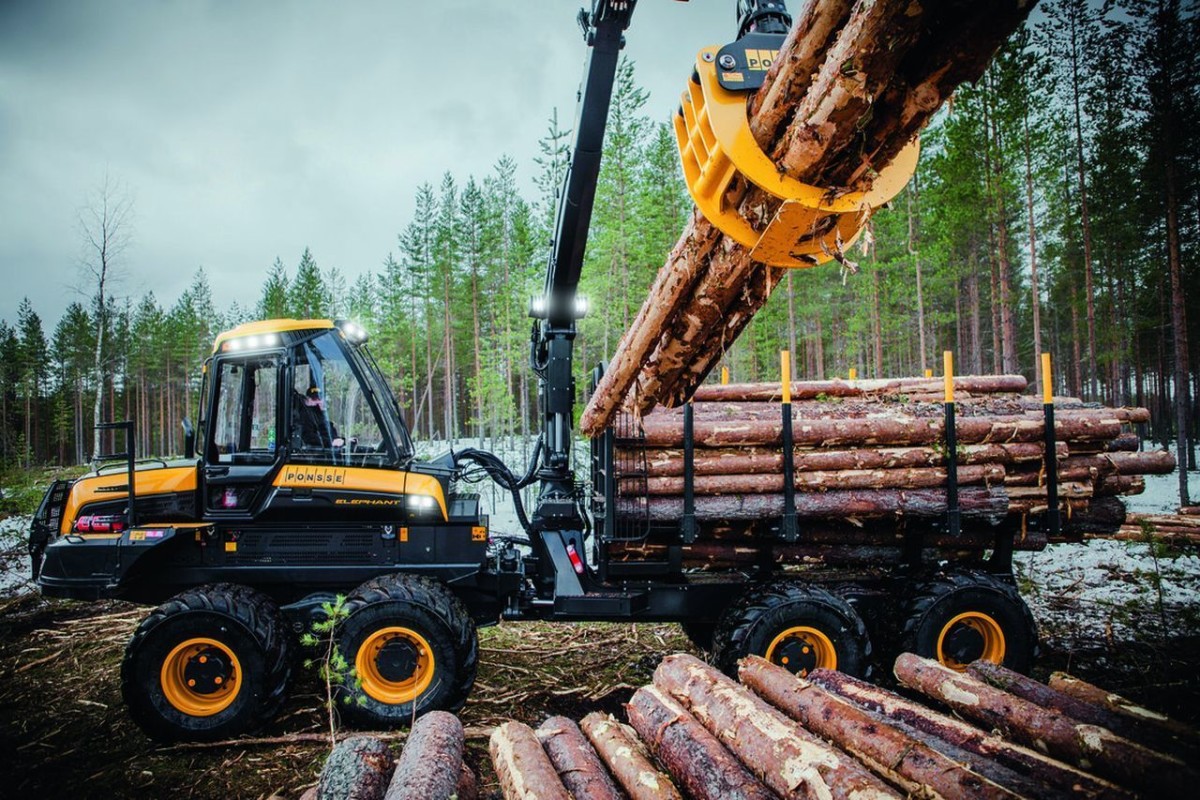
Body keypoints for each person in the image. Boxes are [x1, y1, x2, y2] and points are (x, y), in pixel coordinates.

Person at [294, 385, 344, 449]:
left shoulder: (321, 418)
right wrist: (331, 442)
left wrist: (344, 441)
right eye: (314, 399)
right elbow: (308, 437)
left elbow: (329, 435)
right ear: (307, 401)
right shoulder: (305, 417)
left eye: (320, 399)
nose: (318, 402)